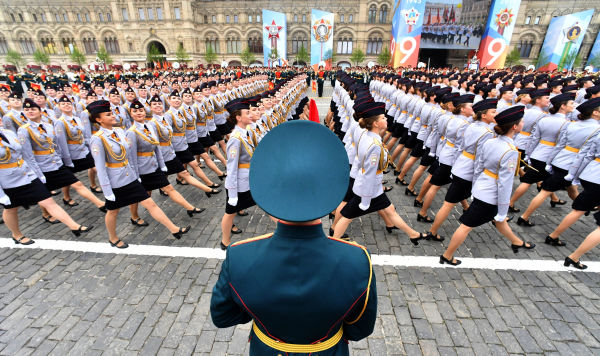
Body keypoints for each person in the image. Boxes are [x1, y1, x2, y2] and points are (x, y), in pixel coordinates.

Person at [211, 120, 376, 355]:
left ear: (271, 194)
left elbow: (223, 316)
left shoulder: (239, 255)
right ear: (327, 190)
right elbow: (360, 328)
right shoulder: (358, 259)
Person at [88, 100, 191, 248]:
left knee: (150, 203)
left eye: (112, 113)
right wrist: (107, 190)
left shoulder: (119, 131)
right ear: (98, 119)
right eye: (108, 114)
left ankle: (174, 229)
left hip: (129, 176)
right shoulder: (97, 139)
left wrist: (136, 173)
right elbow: (100, 167)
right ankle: (113, 237)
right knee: (113, 211)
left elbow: (128, 153)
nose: (113, 116)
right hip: (116, 181)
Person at [440, 106, 536, 266]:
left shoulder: (491, 142)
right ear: (514, 127)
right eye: (521, 121)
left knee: (498, 220)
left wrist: (476, 186)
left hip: (482, 187)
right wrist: (504, 209)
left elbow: (478, 166)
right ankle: (447, 255)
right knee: (466, 226)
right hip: (490, 195)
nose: (523, 123)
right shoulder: (511, 151)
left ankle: (516, 242)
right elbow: (505, 184)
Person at [332, 100, 424, 244]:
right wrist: (366, 200)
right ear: (375, 124)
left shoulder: (367, 136)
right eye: (382, 118)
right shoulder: (374, 145)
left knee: (390, 210)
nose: (386, 119)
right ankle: (333, 242)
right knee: (347, 216)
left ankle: (413, 234)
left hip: (372, 188)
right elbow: (369, 174)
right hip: (367, 190)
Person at [0, 119, 93, 245]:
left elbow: (24, 154)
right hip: (8, 181)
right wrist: (1, 195)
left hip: (26, 174)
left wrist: (37, 174)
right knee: (11, 209)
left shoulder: (8, 133)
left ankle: (74, 226)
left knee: (48, 201)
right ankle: (17, 235)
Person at [517, 97, 600, 227]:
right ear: (595, 112)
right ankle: (524, 216)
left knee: (570, 188)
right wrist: (575, 173)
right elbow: (586, 154)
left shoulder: (571, 124)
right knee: (546, 190)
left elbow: (560, 145)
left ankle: (585, 206)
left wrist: (550, 162)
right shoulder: (596, 130)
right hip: (571, 165)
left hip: (559, 160)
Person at [426, 98, 497, 242]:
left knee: (454, 198)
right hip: (468, 170)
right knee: (448, 204)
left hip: (461, 165)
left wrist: (456, 165)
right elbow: (479, 159)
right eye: (493, 112)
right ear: (484, 115)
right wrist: (478, 178)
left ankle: (495, 217)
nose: (496, 114)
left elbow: (459, 146)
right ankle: (432, 231)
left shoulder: (470, 125)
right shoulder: (487, 132)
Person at [125, 99, 205, 226]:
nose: (139, 113)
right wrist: (136, 174)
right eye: (135, 111)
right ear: (131, 114)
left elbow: (156, 147)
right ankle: (134, 217)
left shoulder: (150, 126)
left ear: (145, 112)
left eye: (141, 110)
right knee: (139, 194)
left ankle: (190, 208)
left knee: (168, 187)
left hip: (154, 165)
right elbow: (132, 156)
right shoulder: (131, 132)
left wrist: (161, 165)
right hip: (142, 168)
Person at [511, 92, 575, 225]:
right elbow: (560, 145)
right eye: (571, 104)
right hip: (549, 157)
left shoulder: (544, 119)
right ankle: (515, 208)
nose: (573, 106)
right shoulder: (566, 123)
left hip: (537, 153)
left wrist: (529, 154)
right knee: (536, 184)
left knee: (537, 182)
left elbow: (535, 139)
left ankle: (557, 199)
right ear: (562, 106)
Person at [545, 99, 600, 245]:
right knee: (578, 210)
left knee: (580, 205)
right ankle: (553, 236)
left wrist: (577, 176)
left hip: (588, 174)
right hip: (595, 179)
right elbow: (585, 154)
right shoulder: (596, 130)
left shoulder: (595, 130)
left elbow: (587, 155)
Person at [220, 99, 257, 249]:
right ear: (238, 117)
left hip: (250, 179)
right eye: (247, 113)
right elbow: (231, 168)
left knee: (266, 203)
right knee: (230, 212)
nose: (251, 114)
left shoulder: (246, 132)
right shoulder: (235, 139)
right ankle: (225, 241)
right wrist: (233, 193)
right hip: (240, 184)